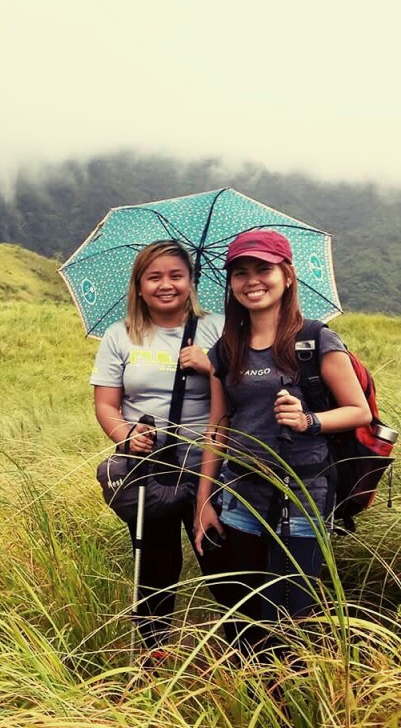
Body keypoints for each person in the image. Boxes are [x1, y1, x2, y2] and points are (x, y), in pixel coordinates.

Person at [193, 230, 371, 647]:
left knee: (291, 615)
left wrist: (308, 419)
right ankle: (255, 695)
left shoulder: (314, 339)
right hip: (240, 498)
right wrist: (204, 501)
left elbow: (357, 410)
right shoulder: (226, 349)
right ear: (231, 284)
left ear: (287, 276)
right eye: (240, 273)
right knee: (247, 615)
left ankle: (293, 699)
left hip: (304, 495)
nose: (252, 280)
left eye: (263, 269)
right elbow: (218, 426)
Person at [91, 239, 230, 655]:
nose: (165, 285)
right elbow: (106, 403)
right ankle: (151, 656)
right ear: (138, 285)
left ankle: (248, 655)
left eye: (176, 275)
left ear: (191, 281)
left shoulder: (218, 329)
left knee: (219, 555)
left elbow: (243, 387)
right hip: (148, 464)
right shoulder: (120, 336)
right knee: (155, 562)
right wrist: (126, 435)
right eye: (154, 277)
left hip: (209, 462)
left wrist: (212, 364)